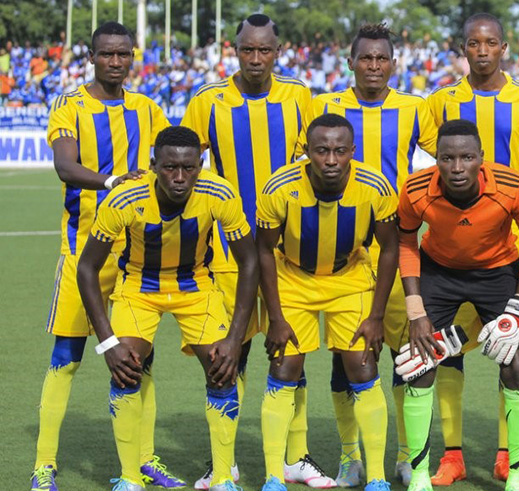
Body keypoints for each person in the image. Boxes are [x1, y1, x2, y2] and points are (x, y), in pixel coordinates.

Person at [181, 14, 333, 489]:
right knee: (231, 356)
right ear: (234, 49)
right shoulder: (207, 100)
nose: (256, 59)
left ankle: (296, 457)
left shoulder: (300, 95)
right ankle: (222, 463)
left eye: (264, 50)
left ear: (278, 49)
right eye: (248, 50)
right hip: (226, 251)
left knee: (292, 353)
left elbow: (318, 162)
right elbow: (185, 165)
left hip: (286, 251)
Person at [31, 21, 179, 491]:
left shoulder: (148, 108)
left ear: (132, 57)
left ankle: (143, 460)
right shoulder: (70, 105)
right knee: (67, 356)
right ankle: (44, 465)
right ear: (91, 56)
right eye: (107, 54)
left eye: (123, 54)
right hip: (84, 252)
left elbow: (168, 163)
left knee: (139, 361)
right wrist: (113, 181)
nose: (116, 62)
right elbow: (64, 165)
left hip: (137, 255)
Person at [77, 126, 258, 491]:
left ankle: (224, 478)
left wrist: (236, 338)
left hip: (196, 286)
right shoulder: (123, 199)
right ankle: (130, 479)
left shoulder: (219, 192)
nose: (179, 177)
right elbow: (87, 268)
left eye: (189, 168)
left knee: (223, 369)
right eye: (169, 167)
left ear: (200, 164)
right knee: (126, 368)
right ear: (153, 165)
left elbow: (250, 261)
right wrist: (108, 344)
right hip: (139, 288)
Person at [310, 22, 438, 487]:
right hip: (341, 253)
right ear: (350, 62)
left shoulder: (414, 110)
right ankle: (350, 457)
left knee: (408, 356)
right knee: (346, 360)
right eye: (366, 58)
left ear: (394, 64)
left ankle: (405, 455)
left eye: (382, 58)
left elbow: (449, 155)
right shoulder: (326, 108)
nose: (374, 66)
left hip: (395, 245)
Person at [425, 13, 519, 483]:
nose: (481, 51)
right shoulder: (440, 102)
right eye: (473, 43)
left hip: (509, 248)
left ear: (504, 47)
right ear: (463, 48)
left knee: (507, 350)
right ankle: (452, 455)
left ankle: (505, 453)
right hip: (455, 244)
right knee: (447, 351)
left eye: (490, 43)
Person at [254, 113, 399, 491]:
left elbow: (389, 249)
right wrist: (275, 317)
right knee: (284, 369)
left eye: (339, 151)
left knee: (362, 369)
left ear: (353, 151)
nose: (331, 160)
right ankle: (273, 475)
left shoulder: (375, 186)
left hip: (349, 278)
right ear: (307, 152)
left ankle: (378, 477)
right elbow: (265, 252)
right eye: (321, 151)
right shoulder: (278, 188)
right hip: (293, 278)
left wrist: (377, 315)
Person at [394, 119, 519, 491]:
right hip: (438, 272)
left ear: (481, 159)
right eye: (447, 158)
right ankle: (421, 476)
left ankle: (517, 475)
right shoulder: (414, 190)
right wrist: (416, 312)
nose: (457, 168)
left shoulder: (512, 186)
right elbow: (407, 244)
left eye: (466, 158)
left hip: (497, 273)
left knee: (515, 362)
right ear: (435, 159)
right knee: (419, 362)